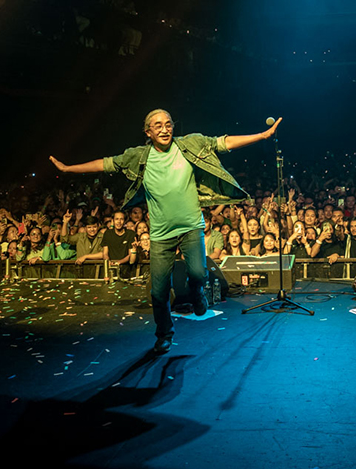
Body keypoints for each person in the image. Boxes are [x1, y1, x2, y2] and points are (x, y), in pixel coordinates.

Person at [50, 109, 279, 354]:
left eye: (168, 124)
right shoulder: (138, 156)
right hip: (161, 235)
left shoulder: (190, 144)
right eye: (158, 125)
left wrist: (262, 136)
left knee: (198, 273)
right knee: (158, 292)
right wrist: (68, 169)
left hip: (191, 226)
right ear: (148, 132)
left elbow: (224, 142)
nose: (165, 128)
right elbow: (105, 163)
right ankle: (164, 334)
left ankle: (198, 293)